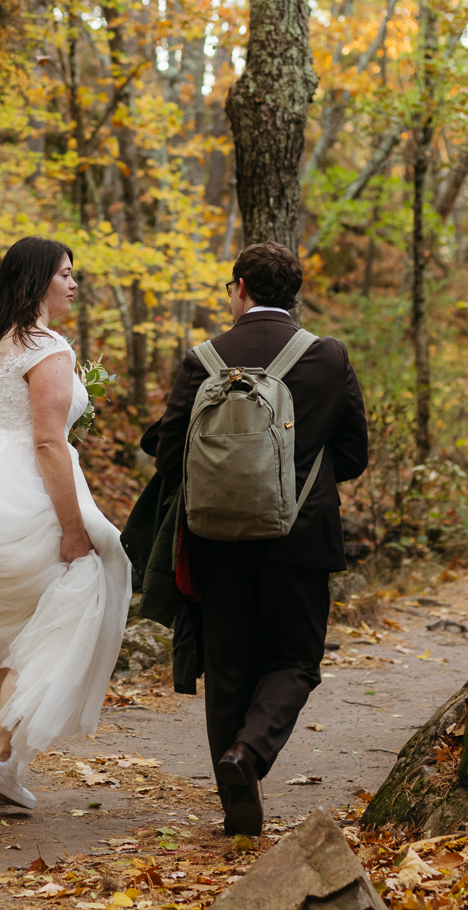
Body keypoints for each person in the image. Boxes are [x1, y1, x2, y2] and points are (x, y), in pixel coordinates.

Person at [145, 241, 369, 835]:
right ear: (292, 295)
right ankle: (248, 755)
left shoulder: (204, 358)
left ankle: (233, 802)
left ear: (240, 287)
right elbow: (353, 453)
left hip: (214, 537)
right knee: (295, 658)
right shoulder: (328, 357)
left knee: (228, 667)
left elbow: (170, 459)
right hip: (300, 535)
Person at [0, 236, 131, 810]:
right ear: (38, 279)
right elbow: (46, 442)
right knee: (72, 608)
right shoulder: (47, 348)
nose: (73, 284)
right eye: (66, 274)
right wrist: (73, 531)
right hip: (20, 497)